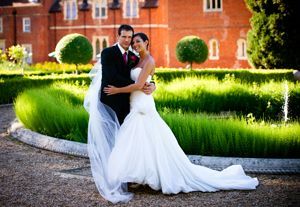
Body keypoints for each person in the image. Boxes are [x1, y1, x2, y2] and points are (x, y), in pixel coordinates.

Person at [101, 32, 259, 203]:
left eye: (138, 41)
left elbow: (140, 84)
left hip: (142, 105)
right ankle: (139, 177)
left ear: (147, 42)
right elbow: (143, 79)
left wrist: (119, 90)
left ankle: (147, 176)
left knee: (143, 137)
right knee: (140, 139)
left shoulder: (149, 60)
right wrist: (153, 84)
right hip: (134, 102)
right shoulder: (135, 59)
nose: (134, 44)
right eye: (133, 42)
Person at [100, 24, 154, 124]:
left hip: (128, 102)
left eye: (130, 37)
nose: (127, 40)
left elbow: (146, 73)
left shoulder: (134, 57)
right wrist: (139, 85)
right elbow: (112, 76)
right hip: (111, 99)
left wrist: (152, 85)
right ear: (118, 37)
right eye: (124, 36)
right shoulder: (108, 53)